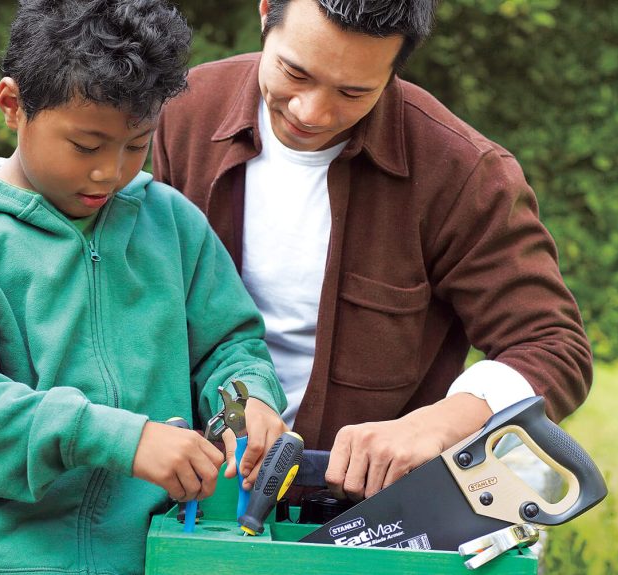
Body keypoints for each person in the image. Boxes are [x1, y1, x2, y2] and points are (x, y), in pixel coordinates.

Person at [0, 1, 288, 573]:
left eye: (135, 144)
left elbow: (229, 345)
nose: (110, 172)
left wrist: (246, 399)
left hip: (142, 556)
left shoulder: (170, 223)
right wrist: (119, 438)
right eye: (86, 146)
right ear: (12, 105)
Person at [153, 0, 592, 503]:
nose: (311, 112)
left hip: (367, 513)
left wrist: (438, 424)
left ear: (395, 68)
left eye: (352, 92)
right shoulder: (181, 109)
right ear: (266, 11)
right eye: (294, 72)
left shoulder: (461, 172)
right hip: (194, 495)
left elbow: (553, 345)